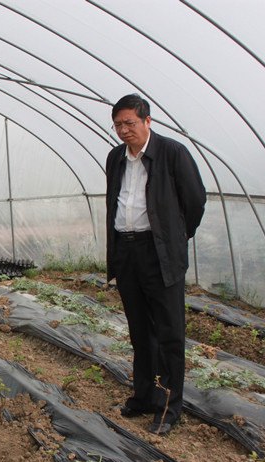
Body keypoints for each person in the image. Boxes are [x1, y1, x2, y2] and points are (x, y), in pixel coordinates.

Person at [106, 94, 206, 435]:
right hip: (127, 251)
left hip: (159, 252)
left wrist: (174, 236)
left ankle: (168, 407)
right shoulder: (116, 158)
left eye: (129, 123)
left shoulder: (172, 153)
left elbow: (195, 201)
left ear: (147, 121)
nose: (124, 130)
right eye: (118, 125)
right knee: (139, 331)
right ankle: (143, 397)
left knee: (169, 334)